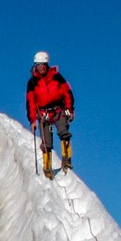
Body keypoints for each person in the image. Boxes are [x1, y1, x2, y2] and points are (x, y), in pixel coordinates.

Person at [25, 50, 74, 178]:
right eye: (40, 64)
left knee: (64, 133)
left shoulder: (57, 77)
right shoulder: (32, 83)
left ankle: (67, 161)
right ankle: (47, 168)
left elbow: (67, 92)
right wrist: (32, 121)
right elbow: (30, 102)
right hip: (43, 114)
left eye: (44, 64)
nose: (42, 66)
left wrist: (70, 109)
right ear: (35, 65)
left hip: (59, 110)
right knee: (47, 142)